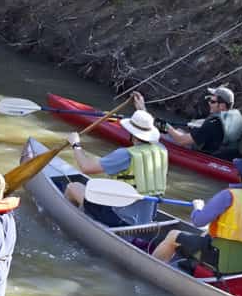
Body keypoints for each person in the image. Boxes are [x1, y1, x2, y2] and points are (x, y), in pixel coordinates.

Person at [152, 149, 242, 275]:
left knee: (172, 235)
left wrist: (198, 207)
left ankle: (152, 270)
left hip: (220, 258)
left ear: (239, 174)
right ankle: (193, 267)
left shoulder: (228, 195)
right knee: (206, 233)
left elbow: (198, 221)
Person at [63, 91, 169, 227]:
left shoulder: (125, 155)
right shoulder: (161, 149)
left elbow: (86, 167)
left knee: (73, 187)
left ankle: (76, 225)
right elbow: (147, 129)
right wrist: (142, 109)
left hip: (119, 218)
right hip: (145, 219)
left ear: (131, 133)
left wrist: (75, 144)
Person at [163, 86, 242, 158]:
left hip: (209, 158)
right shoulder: (234, 119)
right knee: (179, 131)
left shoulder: (212, 124)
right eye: (209, 99)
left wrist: (165, 126)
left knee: (162, 135)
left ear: (222, 106)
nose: (209, 103)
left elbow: (180, 141)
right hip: (226, 155)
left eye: (212, 101)